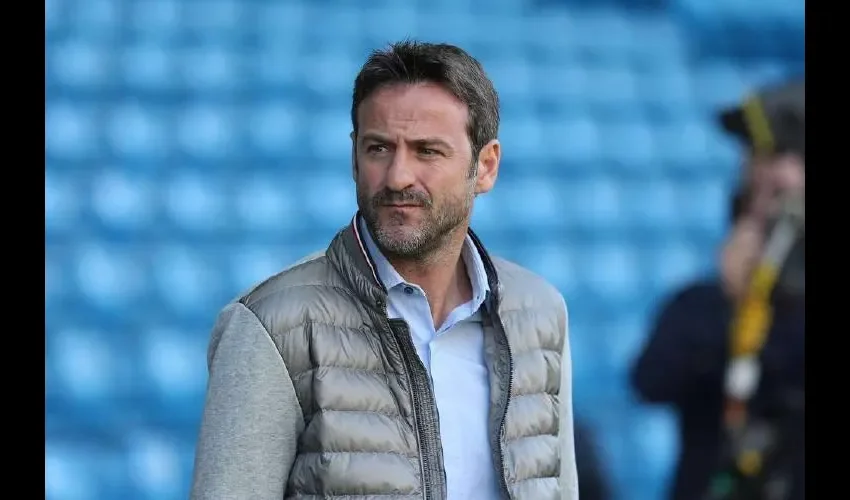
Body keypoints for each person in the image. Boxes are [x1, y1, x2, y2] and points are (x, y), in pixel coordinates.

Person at [190, 41, 578, 500]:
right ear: (355, 156)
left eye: (427, 151)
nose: (397, 177)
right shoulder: (271, 325)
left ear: (486, 166)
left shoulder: (539, 311)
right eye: (379, 148)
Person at [630, 79, 805, 500]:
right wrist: (732, 303)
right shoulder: (701, 302)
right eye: (758, 160)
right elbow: (651, 381)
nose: (765, 176)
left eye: (783, 158)